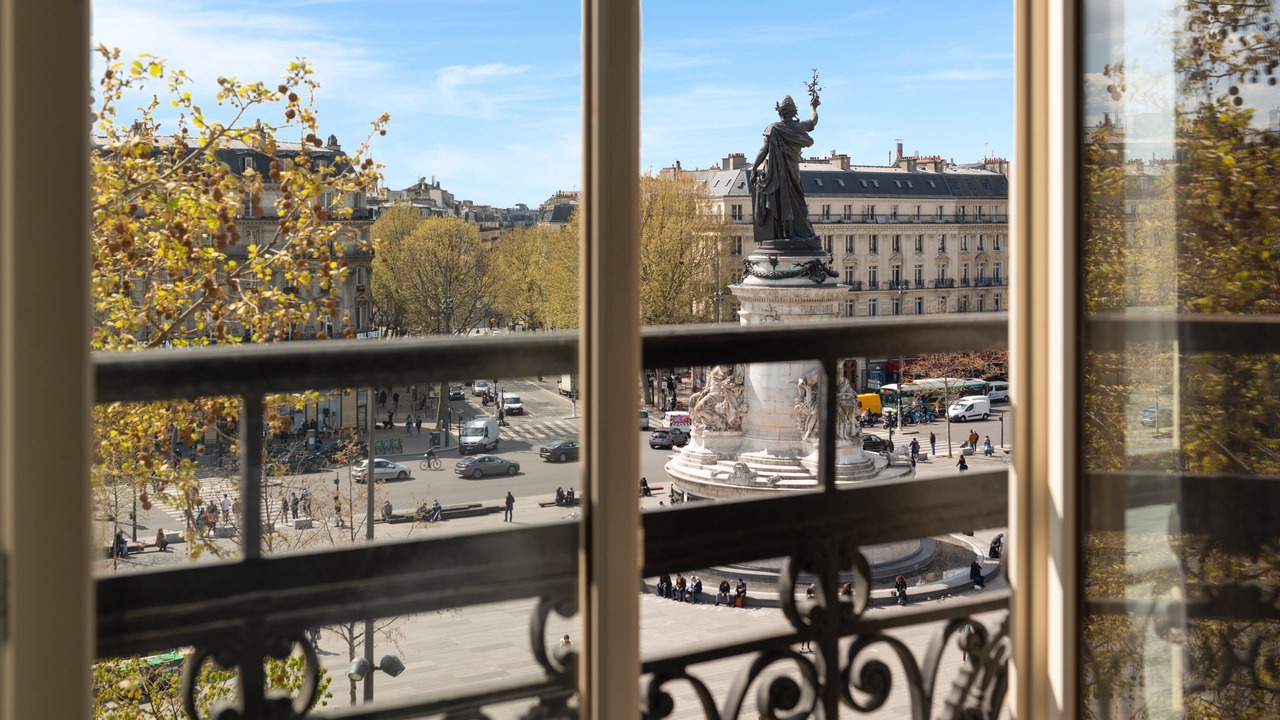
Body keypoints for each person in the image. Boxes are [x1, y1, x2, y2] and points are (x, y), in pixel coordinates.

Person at [751, 92, 821, 249]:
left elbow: (763, 150)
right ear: (794, 112)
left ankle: (784, 233)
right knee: (797, 201)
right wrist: (813, 107)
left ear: (779, 112)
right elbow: (813, 122)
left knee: (781, 202)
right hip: (792, 171)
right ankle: (798, 233)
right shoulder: (797, 127)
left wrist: (754, 168)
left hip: (776, 174)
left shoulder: (773, 129)